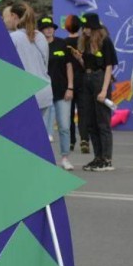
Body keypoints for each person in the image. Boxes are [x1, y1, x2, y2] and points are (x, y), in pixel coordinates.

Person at [73, 13, 118, 172]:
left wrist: (104, 90)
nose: (84, 30)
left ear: (93, 27)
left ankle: (107, 159)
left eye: (87, 27)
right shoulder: (84, 41)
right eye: (83, 28)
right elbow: (87, 65)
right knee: (90, 122)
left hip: (100, 79)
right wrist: (79, 58)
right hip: (87, 78)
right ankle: (98, 157)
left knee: (102, 122)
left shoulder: (105, 41)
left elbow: (108, 66)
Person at [3, 2, 53, 123]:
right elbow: (44, 64)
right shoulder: (40, 36)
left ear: (14, 16)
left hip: (25, 95)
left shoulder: (13, 38)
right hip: (44, 93)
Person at [39, 16, 75, 170]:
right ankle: (45, 159)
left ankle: (65, 157)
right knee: (42, 130)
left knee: (64, 126)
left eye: (51, 27)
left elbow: (69, 66)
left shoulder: (62, 43)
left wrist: (70, 87)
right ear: (40, 30)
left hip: (62, 92)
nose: (48, 29)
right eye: (45, 27)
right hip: (43, 92)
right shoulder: (36, 45)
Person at [64, 14, 88, 154]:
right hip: (83, 80)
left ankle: (71, 141)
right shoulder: (83, 42)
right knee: (83, 111)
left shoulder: (63, 43)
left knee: (69, 113)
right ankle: (84, 139)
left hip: (68, 82)